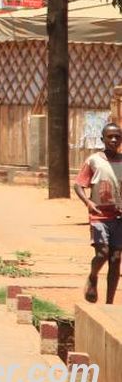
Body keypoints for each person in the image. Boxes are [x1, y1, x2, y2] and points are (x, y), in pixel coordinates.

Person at [76, 123, 122, 303]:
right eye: (110, 137)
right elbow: (79, 184)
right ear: (103, 139)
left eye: (117, 137)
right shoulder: (94, 161)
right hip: (100, 216)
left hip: (119, 217)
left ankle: (109, 302)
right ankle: (93, 276)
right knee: (102, 253)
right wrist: (88, 202)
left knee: (116, 259)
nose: (114, 140)